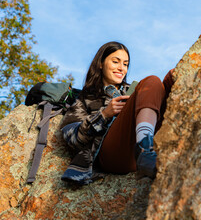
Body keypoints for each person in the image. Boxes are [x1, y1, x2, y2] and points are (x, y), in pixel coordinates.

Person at [60, 41, 174, 184]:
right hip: (111, 155)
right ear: (101, 63)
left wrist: (172, 82)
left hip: (141, 154)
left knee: (157, 82)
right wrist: (104, 115)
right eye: (116, 62)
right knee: (151, 81)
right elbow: (73, 139)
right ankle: (145, 149)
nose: (121, 68)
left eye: (125, 64)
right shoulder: (83, 98)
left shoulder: (135, 89)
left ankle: (146, 148)